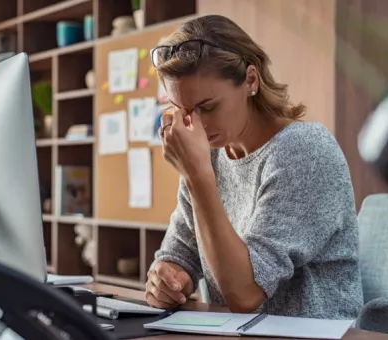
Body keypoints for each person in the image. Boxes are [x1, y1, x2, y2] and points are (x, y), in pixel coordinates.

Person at [145, 14, 363, 319]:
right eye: (183, 110)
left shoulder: (304, 150)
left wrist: (196, 176)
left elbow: (245, 294)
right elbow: (180, 252)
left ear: (250, 80)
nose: (195, 125)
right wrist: (167, 278)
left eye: (207, 107)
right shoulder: (209, 156)